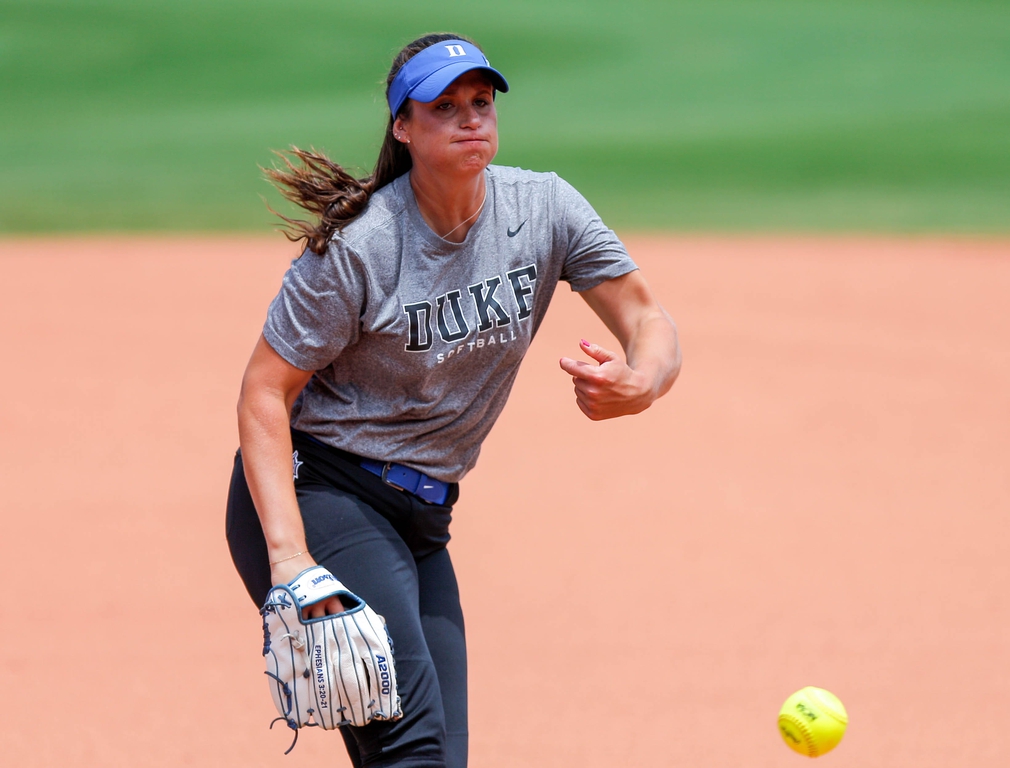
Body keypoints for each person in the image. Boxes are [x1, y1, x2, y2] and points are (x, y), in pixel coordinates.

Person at [225, 32, 680, 768]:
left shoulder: (544, 209)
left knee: (438, 758)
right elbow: (262, 393)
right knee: (413, 748)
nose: (473, 118)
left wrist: (643, 381)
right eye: (445, 107)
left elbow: (648, 319)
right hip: (324, 494)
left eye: (482, 101)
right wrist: (290, 560)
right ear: (403, 128)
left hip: (422, 516)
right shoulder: (361, 246)